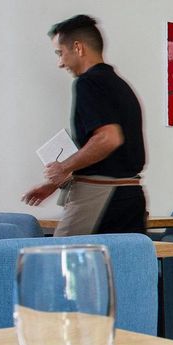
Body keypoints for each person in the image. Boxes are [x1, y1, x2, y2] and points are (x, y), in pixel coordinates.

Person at [23, 14, 147, 235]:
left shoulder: (88, 83)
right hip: (130, 195)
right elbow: (112, 155)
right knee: (122, 258)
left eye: (60, 53)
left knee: (61, 256)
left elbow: (108, 138)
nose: (60, 63)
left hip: (98, 196)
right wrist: (55, 183)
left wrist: (63, 167)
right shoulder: (120, 85)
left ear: (78, 48)